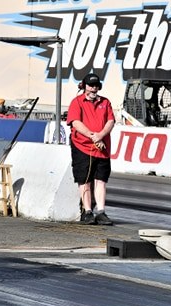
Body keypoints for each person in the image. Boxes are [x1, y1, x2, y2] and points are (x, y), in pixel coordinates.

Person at [66, 73, 115, 225]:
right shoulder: (77, 102)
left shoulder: (105, 102)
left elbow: (110, 121)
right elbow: (75, 122)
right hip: (82, 146)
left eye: (96, 86)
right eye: (90, 85)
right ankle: (87, 211)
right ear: (84, 86)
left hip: (102, 148)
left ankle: (101, 211)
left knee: (101, 180)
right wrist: (92, 136)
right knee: (84, 179)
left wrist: (100, 135)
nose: (93, 89)